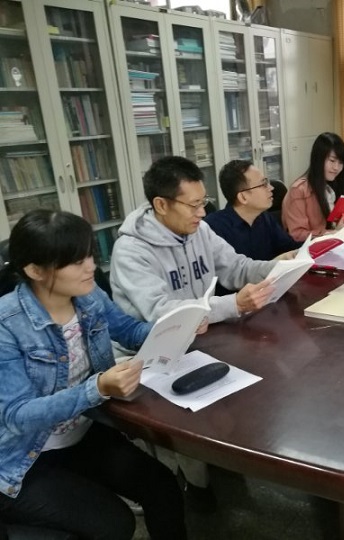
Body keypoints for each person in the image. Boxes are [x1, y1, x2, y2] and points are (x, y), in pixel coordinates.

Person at [0, 209, 187, 540]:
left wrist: (177, 326)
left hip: (81, 433)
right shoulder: (7, 324)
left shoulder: (87, 296)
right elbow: (17, 415)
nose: (91, 267)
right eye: (76, 261)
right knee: (114, 525)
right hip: (24, 458)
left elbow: (127, 330)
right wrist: (96, 388)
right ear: (35, 270)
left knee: (162, 487)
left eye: (89, 255)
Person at [110, 155, 278, 508]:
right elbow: (161, 313)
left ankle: (222, 458)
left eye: (204, 202)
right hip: (151, 353)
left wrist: (280, 269)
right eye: (194, 205)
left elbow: (236, 267)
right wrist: (233, 305)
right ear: (161, 204)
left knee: (265, 365)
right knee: (193, 413)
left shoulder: (198, 229)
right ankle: (192, 484)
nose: (203, 213)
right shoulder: (131, 251)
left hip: (201, 337)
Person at [206, 159, 301, 261]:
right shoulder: (214, 228)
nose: (271, 188)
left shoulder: (264, 217)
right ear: (243, 197)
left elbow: (289, 247)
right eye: (263, 184)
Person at [282, 132, 344, 241]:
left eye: (340, 162)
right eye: (332, 161)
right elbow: (297, 234)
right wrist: (332, 233)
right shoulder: (299, 190)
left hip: (336, 244)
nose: (336, 167)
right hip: (310, 249)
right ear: (318, 159)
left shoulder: (334, 184)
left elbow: (339, 225)